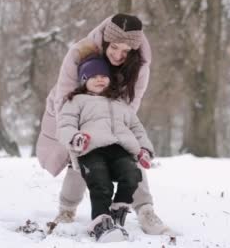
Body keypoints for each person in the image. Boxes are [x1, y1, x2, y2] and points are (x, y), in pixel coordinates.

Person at [36, 14, 171, 235]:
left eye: (126, 51)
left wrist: (121, 136)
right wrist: (74, 135)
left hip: (113, 113)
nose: (119, 55)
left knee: (130, 156)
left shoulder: (138, 68)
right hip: (73, 110)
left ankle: (146, 211)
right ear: (106, 41)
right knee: (78, 160)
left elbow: (131, 110)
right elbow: (65, 101)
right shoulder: (80, 53)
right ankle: (67, 209)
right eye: (115, 47)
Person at [57, 56, 155, 242]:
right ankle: (100, 223)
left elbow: (137, 128)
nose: (100, 79)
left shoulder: (120, 103)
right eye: (94, 76)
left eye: (104, 75)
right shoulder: (76, 101)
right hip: (91, 150)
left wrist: (144, 149)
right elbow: (65, 125)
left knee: (132, 175)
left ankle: (117, 211)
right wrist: (75, 138)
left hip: (120, 150)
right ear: (84, 80)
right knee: (100, 182)